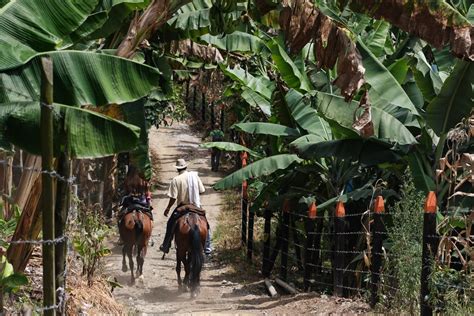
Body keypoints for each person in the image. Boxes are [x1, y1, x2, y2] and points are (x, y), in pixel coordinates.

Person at [159, 158, 212, 256]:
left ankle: (166, 245)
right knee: (206, 224)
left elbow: (173, 197)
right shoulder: (194, 176)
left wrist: (168, 208)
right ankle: (208, 246)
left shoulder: (176, 180)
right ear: (186, 167)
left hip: (182, 207)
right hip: (195, 205)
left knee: (170, 223)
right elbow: (202, 190)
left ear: (177, 169)